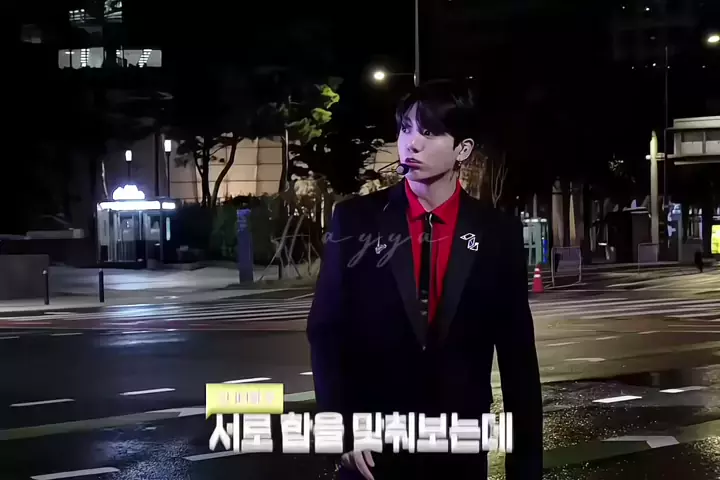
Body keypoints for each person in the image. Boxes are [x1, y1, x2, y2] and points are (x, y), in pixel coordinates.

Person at [307, 80, 542, 480]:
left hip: (459, 450)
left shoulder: (496, 233)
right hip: (373, 452)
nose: (411, 144)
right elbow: (326, 332)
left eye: (430, 132)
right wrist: (339, 430)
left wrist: (525, 469)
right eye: (405, 129)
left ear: (462, 149)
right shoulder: (356, 220)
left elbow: (518, 359)